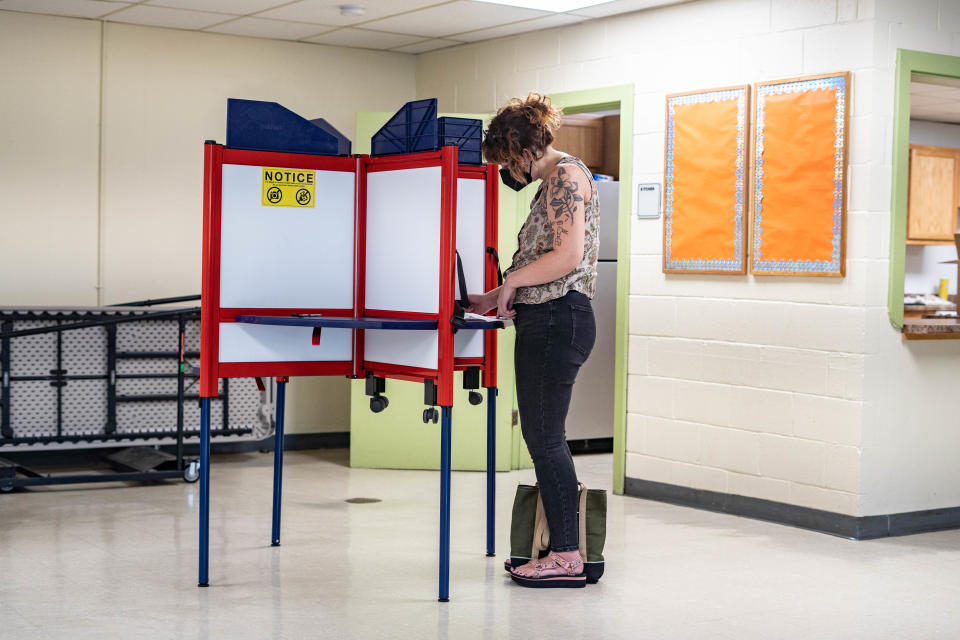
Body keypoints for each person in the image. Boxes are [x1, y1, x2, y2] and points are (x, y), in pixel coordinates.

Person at [469, 92, 599, 589]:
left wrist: (516, 283)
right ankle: (563, 549)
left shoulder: (565, 177)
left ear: (522, 150)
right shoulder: (556, 182)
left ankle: (565, 556)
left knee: (544, 439)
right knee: (545, 437)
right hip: (550, 317)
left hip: (556, 319)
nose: (507, 172)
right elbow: (546, 260)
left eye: (506, 160)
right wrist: (494, 295)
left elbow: (566, 259)